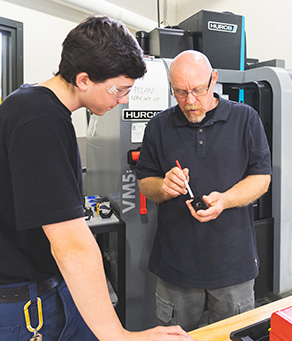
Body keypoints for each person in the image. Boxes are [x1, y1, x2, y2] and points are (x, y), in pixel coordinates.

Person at [0, 15, 194, 341]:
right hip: (26, 304)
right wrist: (121, 336)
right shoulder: (38, 119)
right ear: (85, 79)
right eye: (119, 90)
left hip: (53, 286)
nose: (124, 101)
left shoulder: (39, 109)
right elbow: (72, 246)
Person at [135, 50, 272, 332]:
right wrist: (163, 186)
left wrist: (225, 200)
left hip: (233, 266)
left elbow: (262, 178)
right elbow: (145, 181)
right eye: (180, 93)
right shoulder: (158, 127)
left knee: (233, 336)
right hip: (176, 268)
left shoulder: (246, 119)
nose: (191, 101)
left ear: (214, 80)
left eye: (198, 90)